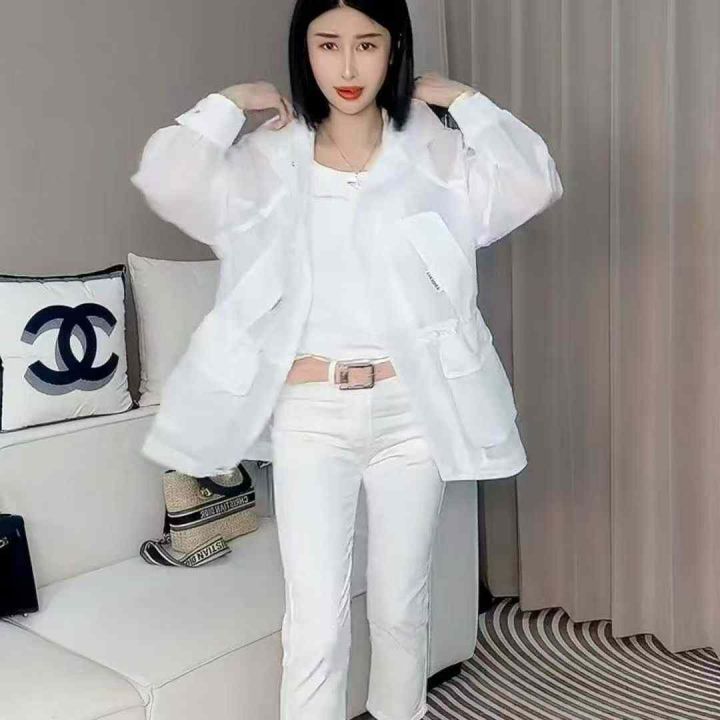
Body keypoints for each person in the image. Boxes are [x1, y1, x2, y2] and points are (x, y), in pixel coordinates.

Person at [130, 1, 563, 718]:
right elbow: (169, 180)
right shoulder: (266, 161)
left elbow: (532, 183)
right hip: (311, 413)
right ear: (305, 52)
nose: (349, 65)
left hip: (412, 413)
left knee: (401, 610)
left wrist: (466, 102)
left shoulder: (434, 155)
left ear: (395, 49)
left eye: (368, 43)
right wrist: (228, 104)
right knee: (316, 626)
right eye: (328, 44)